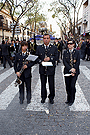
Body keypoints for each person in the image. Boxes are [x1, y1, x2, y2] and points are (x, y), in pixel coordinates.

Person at [36, 33, 58, 104]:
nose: (46, 40)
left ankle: (51, 97)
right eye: (44, 38)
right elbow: (36, 57)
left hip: (51, 69)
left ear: (50, 39)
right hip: (42, 69)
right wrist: (40, 61)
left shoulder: (54, 48)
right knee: (43, 84)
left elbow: (57, 57)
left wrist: (50, 58)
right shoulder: (39, 48)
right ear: (43, 39)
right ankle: (43, 97)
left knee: (51, 84)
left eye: (47, 38)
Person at [63, 39, 80, 106]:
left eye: (70, 44)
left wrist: (74, 69)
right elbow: (65, 62)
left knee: (72, 86)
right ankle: (68, 98)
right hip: (67, 71)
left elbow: (78, 62)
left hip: (75, 72)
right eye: (68, 44)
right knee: (67, 86)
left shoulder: (77, 52)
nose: (69, 45)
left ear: (73, 44)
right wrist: (70, 69)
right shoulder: (65, 52)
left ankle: (72, 99)